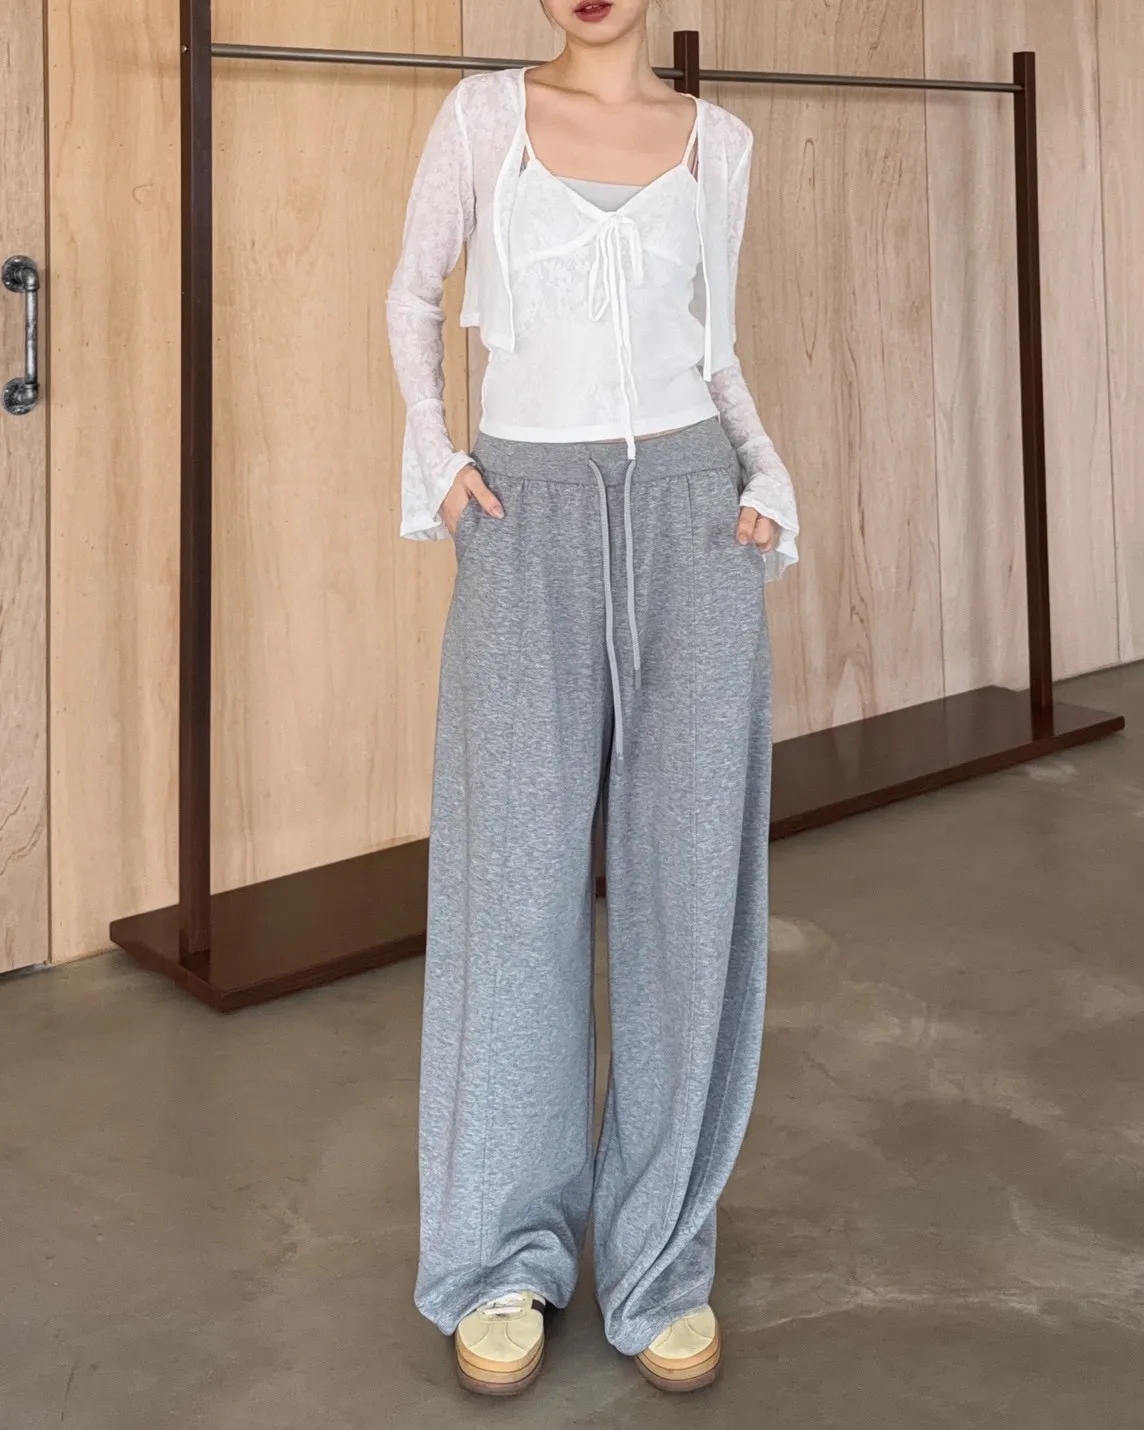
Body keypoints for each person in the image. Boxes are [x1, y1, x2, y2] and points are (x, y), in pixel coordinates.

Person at [386, 0, 798, 1397]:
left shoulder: (719, 145)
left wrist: (765, 471)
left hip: (693, 512)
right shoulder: (483, 121)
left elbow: (713, 346)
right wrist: (438, 459)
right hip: (527, 510)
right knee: (514, 891)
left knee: (689, 892)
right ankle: (503, 1253)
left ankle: (662, 1250)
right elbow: (411, 294)